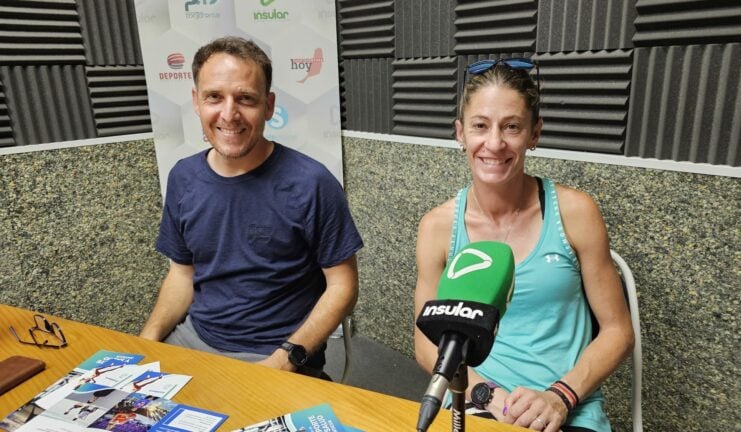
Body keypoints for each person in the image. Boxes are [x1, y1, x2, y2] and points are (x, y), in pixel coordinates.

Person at [413, 58, 634, 432]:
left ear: (534, 134)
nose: (495, 143)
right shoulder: (437, 227)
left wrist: (559, 396)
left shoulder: (575, 212)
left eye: (512, 127)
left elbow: (618, 331)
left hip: (567, 408)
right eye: (480, 126)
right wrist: (487, 396)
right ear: (460, 133)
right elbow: (426, 343)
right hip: (481, 406)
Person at [140, 36, 363, 378]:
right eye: (214, 97)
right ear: (196, 102)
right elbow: (182, 274)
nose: (229, 114)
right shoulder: (183, 177)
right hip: (191, 338)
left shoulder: (311, 184)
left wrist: (283, 360)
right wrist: (148, 339)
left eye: (245, 98)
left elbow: (343, 287)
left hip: (272, 352)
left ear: (269, 106)